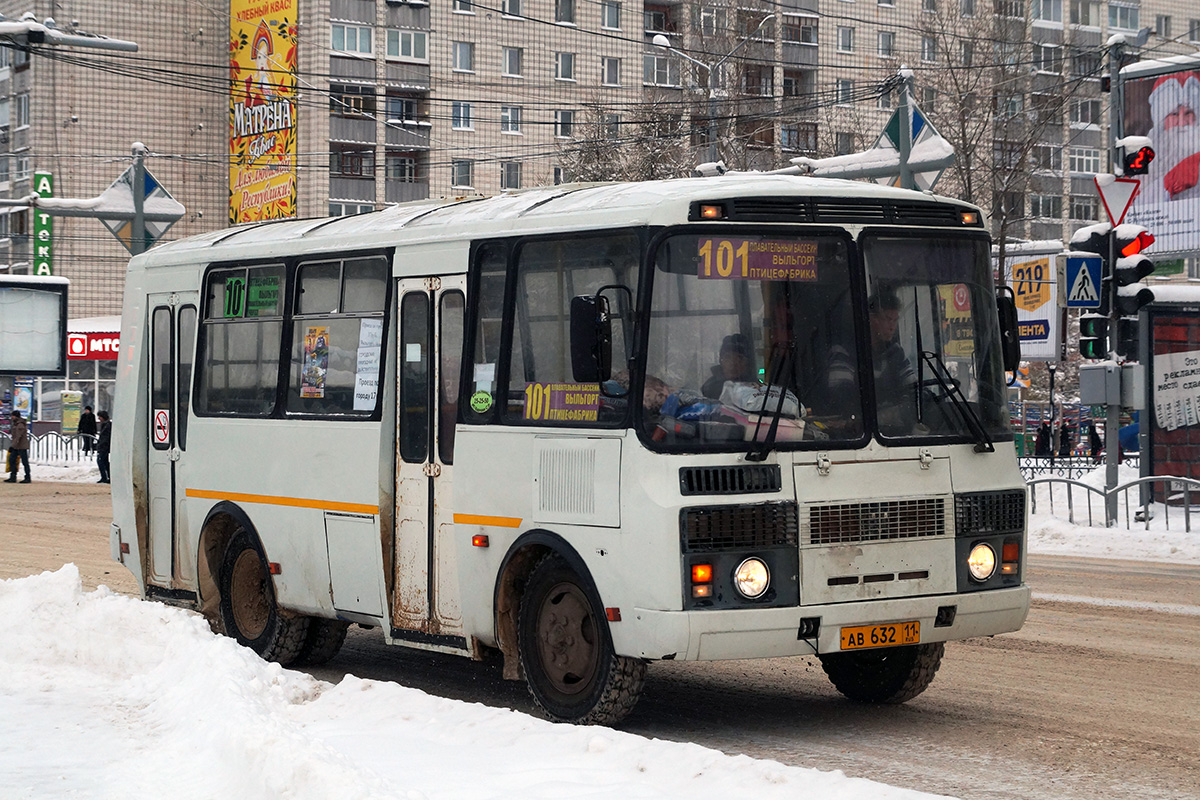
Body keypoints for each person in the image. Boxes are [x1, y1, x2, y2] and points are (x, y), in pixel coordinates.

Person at [1140, 71, 1200, 204]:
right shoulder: (1145, 159)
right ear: (1161, 121)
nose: (1183, 122)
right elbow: (1133, 207)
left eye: (1188, 113)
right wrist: (1169, 182)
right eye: (1174, 114)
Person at [868, 289, 916, 430]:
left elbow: (912, 388)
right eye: (888, 320)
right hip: (865, 431)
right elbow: (841, 400)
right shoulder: (846, 352)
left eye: (895, 321)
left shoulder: (895, 353)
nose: (892, 327)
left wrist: (903, 408)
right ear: (871, 319)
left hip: (894, 430)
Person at [701, 333, 755, 399]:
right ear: (721, 360)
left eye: (739, 358)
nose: (733, 363)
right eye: (728, 357)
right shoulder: (709, 388)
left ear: (748, 362)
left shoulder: (756, 387)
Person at [5, 410, 31, 483]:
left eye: (12, 416)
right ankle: (13, 477)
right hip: (17, 446)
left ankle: (27, 477)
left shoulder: (20, 425)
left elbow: (18, 437)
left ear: (15, 416)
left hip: (21, 446)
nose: (11, 417)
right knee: (11, 460)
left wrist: (12, 446)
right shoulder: (16, 424)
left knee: (25, 462)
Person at [96, 411, 112, 485]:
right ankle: (108, 477)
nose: (99, 418)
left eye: (100, 417)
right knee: (105, 462)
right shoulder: (105, 425)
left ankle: (105, 477)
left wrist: (101, 444)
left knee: (101, 461)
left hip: (104, 447)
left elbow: (105, 437)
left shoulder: (107, 425)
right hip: (104, 446)